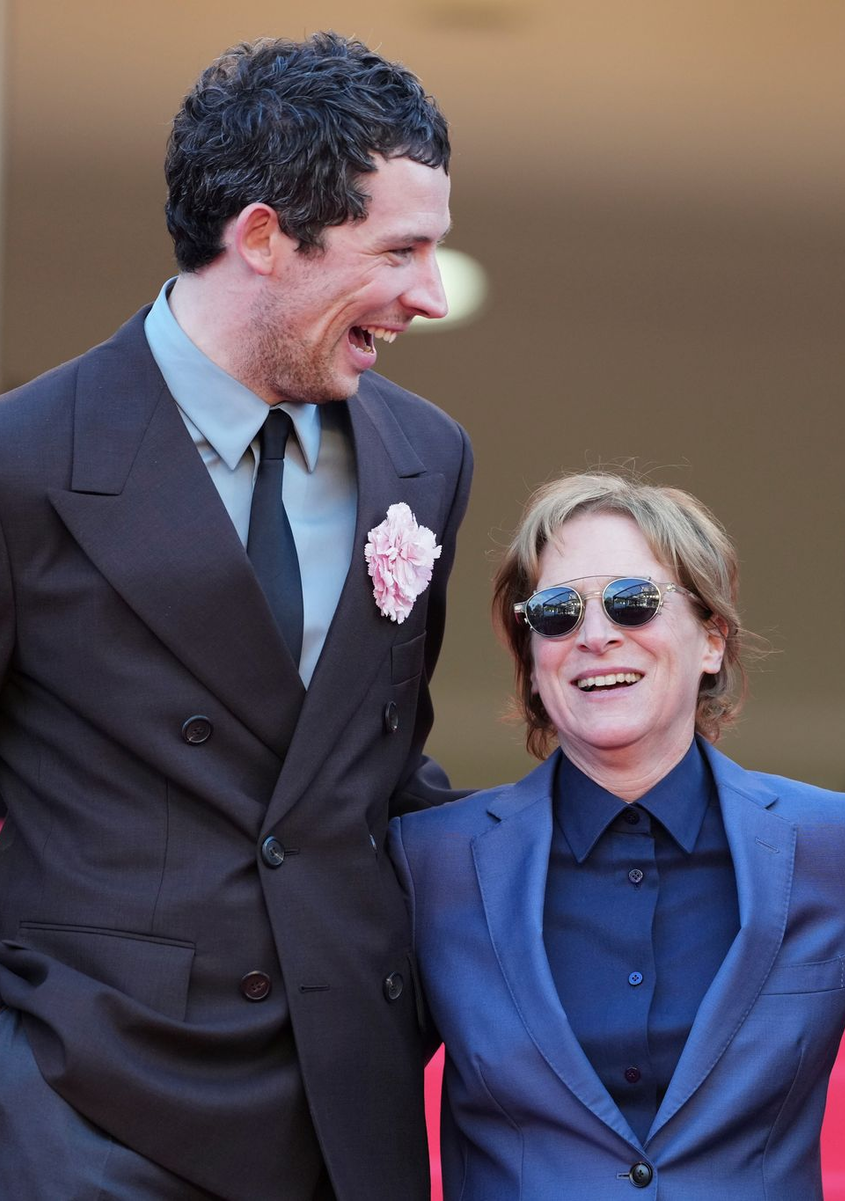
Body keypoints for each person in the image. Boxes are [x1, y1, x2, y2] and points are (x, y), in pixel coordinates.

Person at [0, 33, 471, 1201]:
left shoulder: (426, 457)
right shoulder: (23, 460)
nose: (430, 293)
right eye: (400, 250)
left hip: (344, 1099)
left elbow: (382, 764)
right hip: (81, 1106)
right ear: (262, 237)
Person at [388, 471, 845, 1200]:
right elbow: (334, 1100)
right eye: (557, 612)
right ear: (533, 663)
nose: (596, 635)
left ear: (711, 639)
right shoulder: (434, 861)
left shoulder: (827, 848)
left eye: (632, 603)